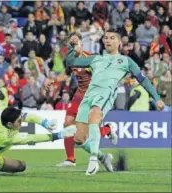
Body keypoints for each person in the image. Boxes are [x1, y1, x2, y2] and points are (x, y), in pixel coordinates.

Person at [65, 29, 165, 175]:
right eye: (105, 38)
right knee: (79, 138)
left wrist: (156, 98)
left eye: (112, 38)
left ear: (119, 42)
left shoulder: (126, 61)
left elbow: (142, 80)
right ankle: (102, 157)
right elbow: (71, 61)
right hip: (89, 95)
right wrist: (71, 46)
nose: (108, 40)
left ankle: (93, 161)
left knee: (94, 116)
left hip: (105, 94)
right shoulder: (96, 58)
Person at [56, 32, 117, 168]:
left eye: (76, 44)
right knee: (67, 123)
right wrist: (53, 81)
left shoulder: (89, 59)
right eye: (71, 45)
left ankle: (107, 129)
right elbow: (65, 74)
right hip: (79, 94)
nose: (73, 47)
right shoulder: (70, 59)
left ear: (81, 45)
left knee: (83, 136)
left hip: (91, 96)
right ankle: (70, 159)